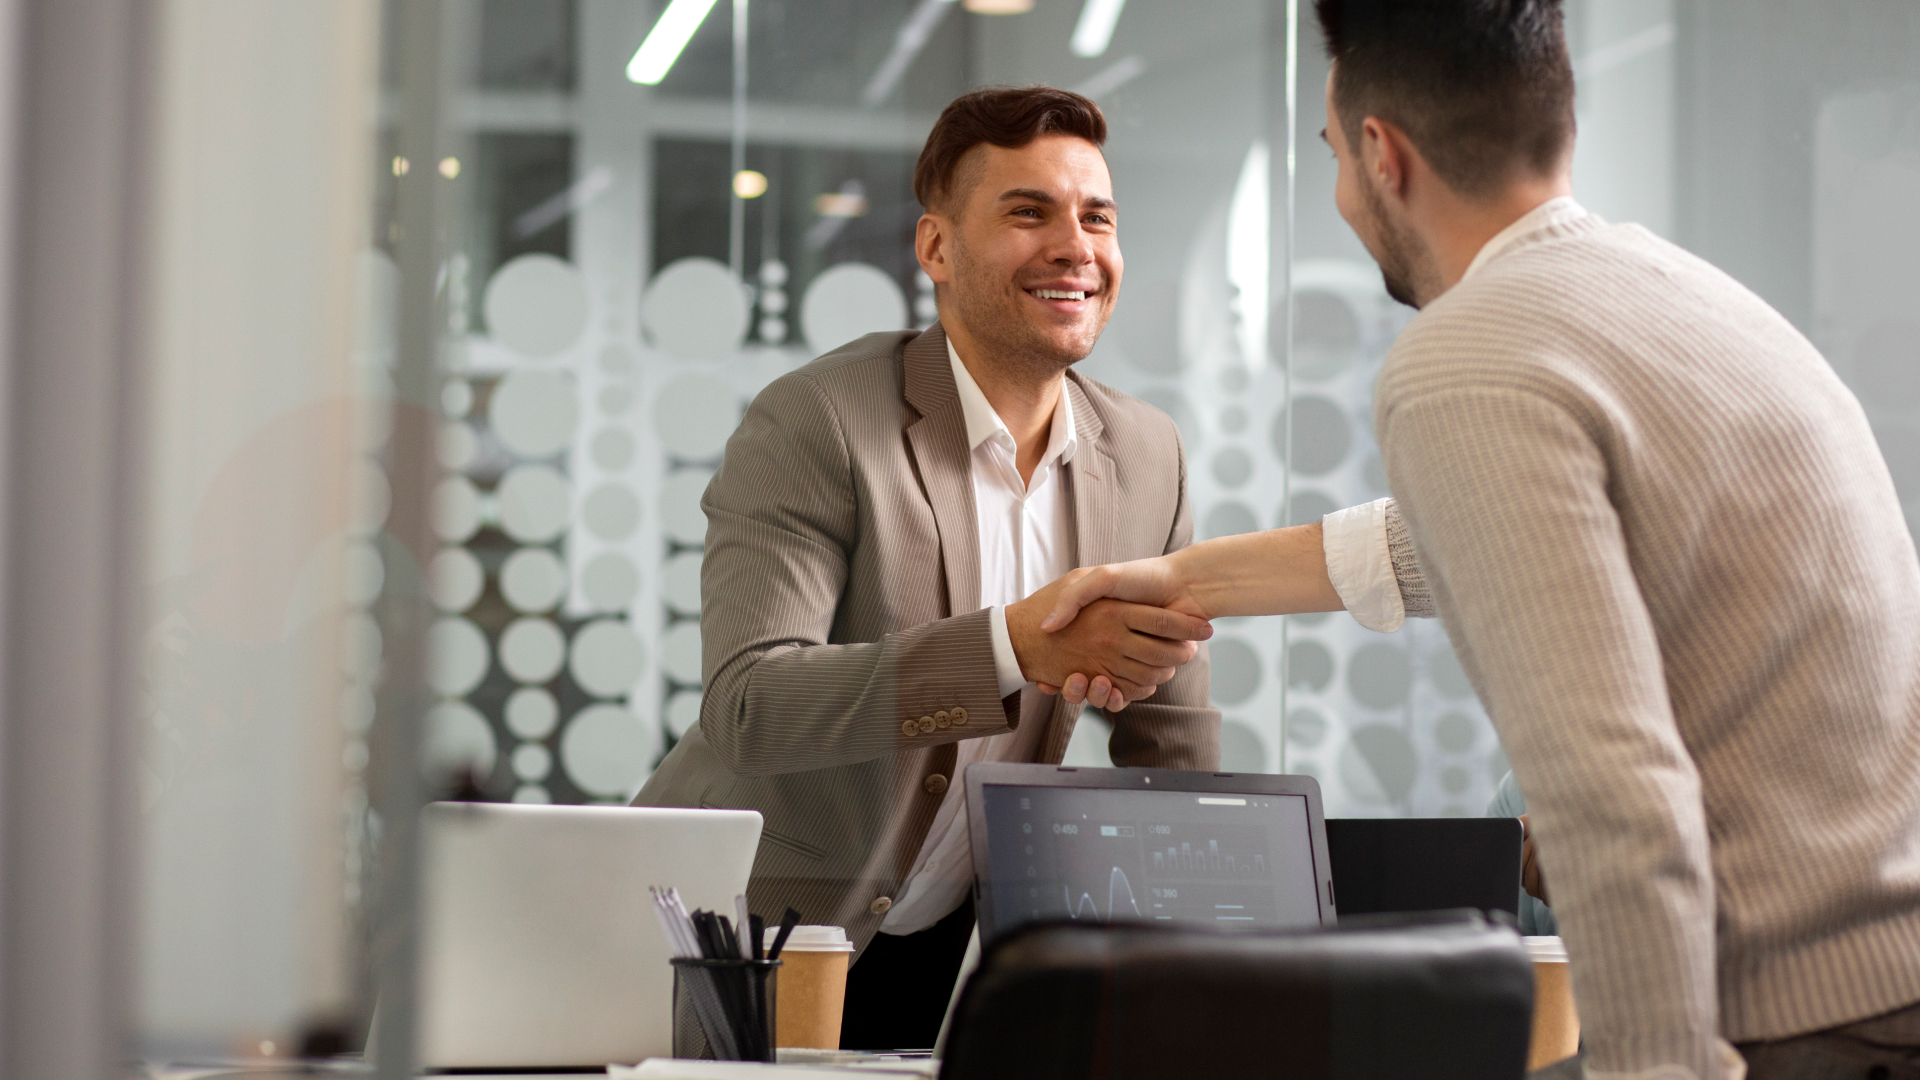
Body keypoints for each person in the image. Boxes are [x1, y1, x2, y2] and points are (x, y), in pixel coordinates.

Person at [1035, 1, 1920, 1076]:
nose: (1338, 198)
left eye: (1330, 157)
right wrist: (1185, 581)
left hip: (1799, 1019)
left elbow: (1609, 786)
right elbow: (1453, 541)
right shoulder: (1680, 299)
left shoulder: (1469, 354)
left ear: (1381, 154)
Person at [632, 86, 1219, 1051]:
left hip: (948, 955)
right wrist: (1009, 647)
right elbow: (751, 702)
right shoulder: (820, 420)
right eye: (1028, 211)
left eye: (1097, 217)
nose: (1076, 246)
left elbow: (1173, 739)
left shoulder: (1146, 454)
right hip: (748, 941)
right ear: (936, 249)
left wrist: (1213, 967)